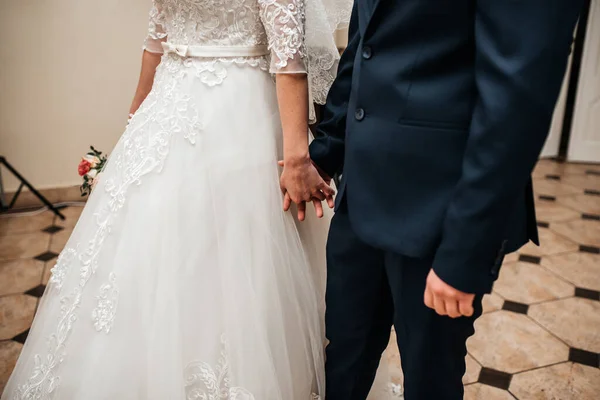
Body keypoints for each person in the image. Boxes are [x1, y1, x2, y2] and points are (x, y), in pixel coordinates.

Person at [0, 1, 371, 398]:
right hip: (231, 110)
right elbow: (287, 59)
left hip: (191, 110)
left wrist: (134, 123)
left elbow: (155, 44)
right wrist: (297, 156)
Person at [280, 1, 585, 399]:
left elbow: (516, 101)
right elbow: (363, 47)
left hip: (439, 210)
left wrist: (465, 255)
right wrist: (324, 153)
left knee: (430, 378)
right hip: (361, 195)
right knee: (344, 356)